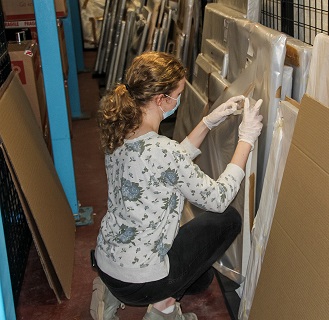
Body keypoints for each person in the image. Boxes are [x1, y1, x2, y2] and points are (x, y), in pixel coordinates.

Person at [90, 51, 263, 320]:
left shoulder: (121, 132)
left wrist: (208, 122)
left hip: (108, 263)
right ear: (161, 99)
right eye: (178, 93)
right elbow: (218, 198)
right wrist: (247, 139)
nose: (179, 100)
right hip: (143, 282)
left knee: (202, 278)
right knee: (227, 219)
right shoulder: (163, 150)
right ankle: (163, 309)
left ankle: (109, 291)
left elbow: (165, 164)